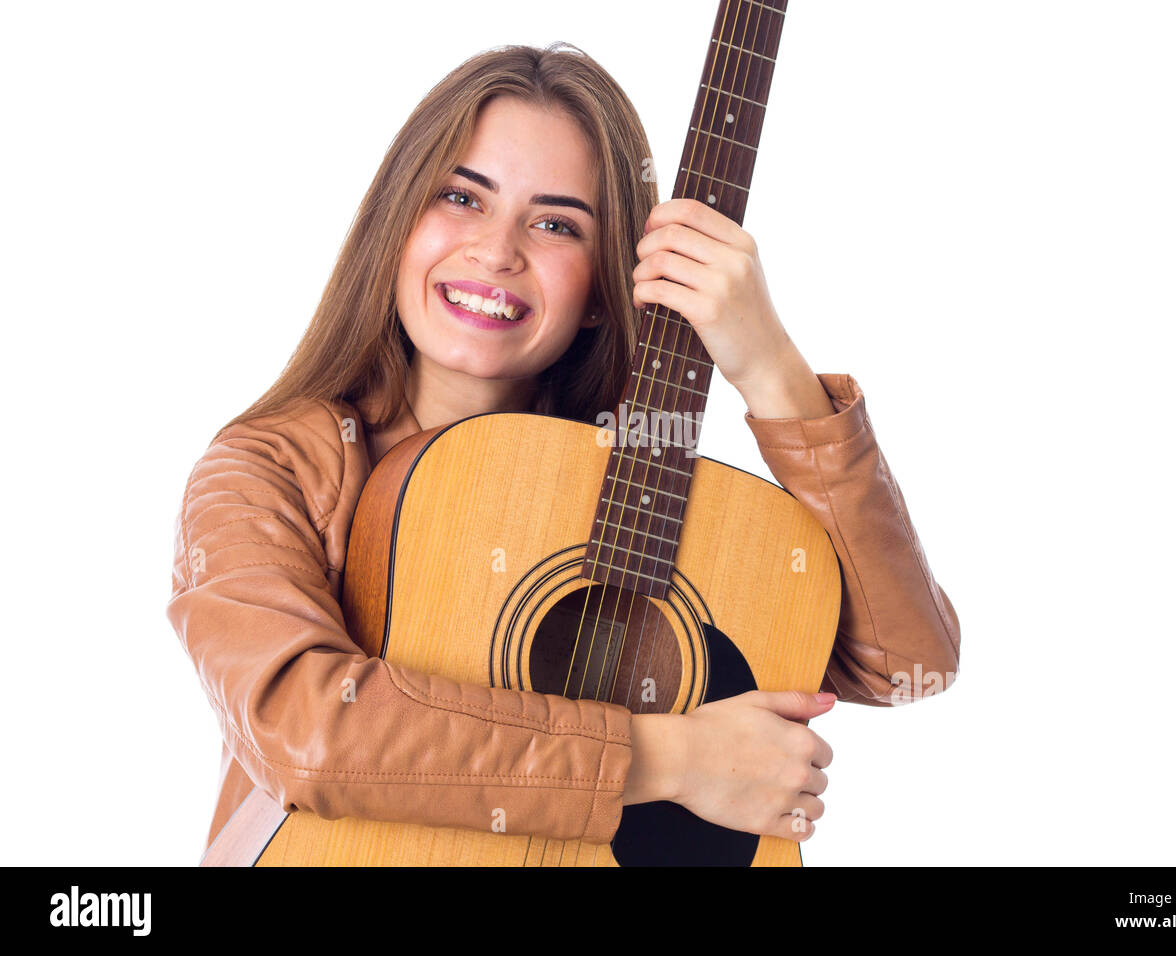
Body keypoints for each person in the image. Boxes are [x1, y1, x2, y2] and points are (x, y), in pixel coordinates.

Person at [166, 42, 961, 863]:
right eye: (461, 196)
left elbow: (909, 663)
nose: (498, 250)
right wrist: (673, 760)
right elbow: (307, 727)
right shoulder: (271, 468)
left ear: (600, 288)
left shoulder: (645, 492)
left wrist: (771, 369)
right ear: (395, 223)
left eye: (555, 223)